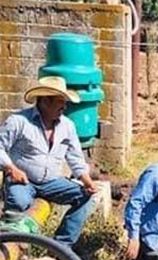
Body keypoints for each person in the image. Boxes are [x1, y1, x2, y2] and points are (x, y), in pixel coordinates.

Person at [0, 76, 97, 247]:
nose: (64, 107)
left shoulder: (67, 126)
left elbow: (75, 157)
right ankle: (12, 241)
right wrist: (10, 168)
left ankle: (61, 246)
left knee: (85, 197)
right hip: (23, 181)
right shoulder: (19, 121)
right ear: (45, 101)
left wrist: (86, 180)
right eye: (60, 102)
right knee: (19, 201)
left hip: (52, 182)